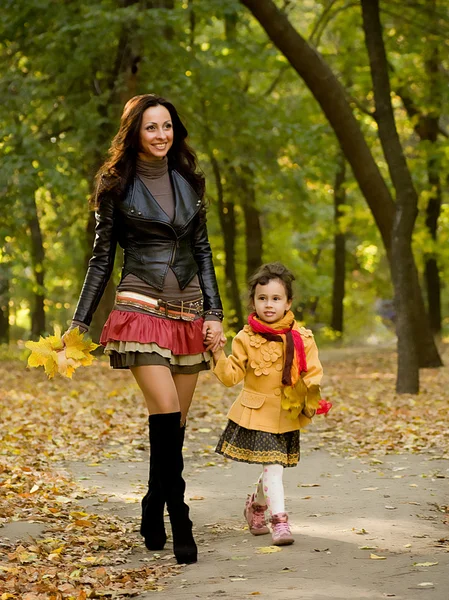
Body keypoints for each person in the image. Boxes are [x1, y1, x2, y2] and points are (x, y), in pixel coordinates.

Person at [66, 94, 225, 564]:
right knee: (165, 409)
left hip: (189, 309)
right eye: (151, 127)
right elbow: (101, 258)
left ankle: (152, 502)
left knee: (174, 425)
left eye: (167, 127)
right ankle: (180, 514)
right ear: (135, 132)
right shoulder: (115, 184)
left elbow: (204, 252)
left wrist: (214, 312)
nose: (161, 135)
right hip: (139, 306)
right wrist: (79, 320)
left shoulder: (189, 181)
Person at [210, 262, 323, 546]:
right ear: (253, 301)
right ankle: (280, 522)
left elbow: (313, 374)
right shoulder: (245, 338)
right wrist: (216, 352)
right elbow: (230, 376)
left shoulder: (303, 338)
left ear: (288, 302)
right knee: (273, 466)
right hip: (257, 414)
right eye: (262, 298)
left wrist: (308, 398)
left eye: (276, 298)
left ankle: (256, 507)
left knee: (273, 467)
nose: (269, 305)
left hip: (286, 413)